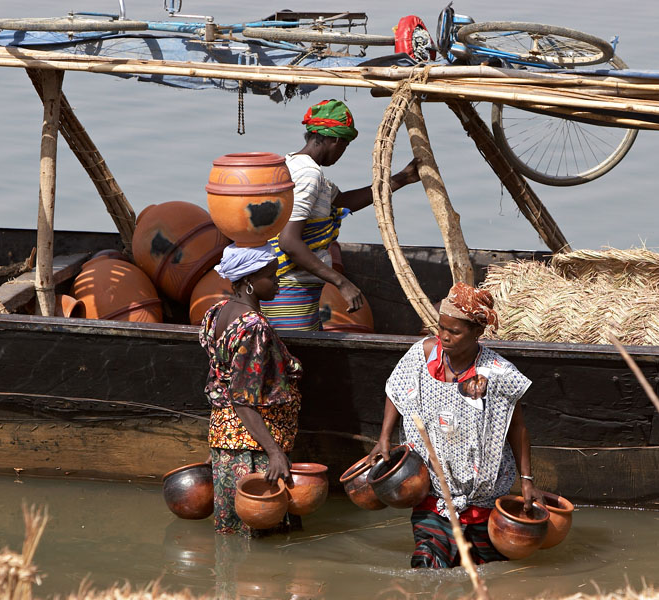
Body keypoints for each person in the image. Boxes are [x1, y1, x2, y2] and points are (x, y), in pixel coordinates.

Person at [369, 282, 543, 568]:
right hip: (432, 489)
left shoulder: (498, 373)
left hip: (482, 495)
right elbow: (396, 389)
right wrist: (384, 437)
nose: (445, 337)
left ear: (477, 332)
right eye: (441, 328)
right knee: (427, 562)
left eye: (454, 331)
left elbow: (517, 427)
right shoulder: (423, 354)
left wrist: (526, 480)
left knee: (481, 567)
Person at [261, 98, 420, 331]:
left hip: (291, 290)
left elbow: (343, 201)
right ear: (335, 140)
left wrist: (402, 178)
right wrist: (341, 282)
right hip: (291, 292)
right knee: (293, 350)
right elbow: (289, 241)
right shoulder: (308, 175)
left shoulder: (290, 164)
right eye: (345, 145)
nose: (342, 152)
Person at [198, 242, 303, 536]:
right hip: (254, 445)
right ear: (249, 281)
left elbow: (224, 380)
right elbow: (242, 398)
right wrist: (274, 453)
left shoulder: (217, 312)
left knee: (234, 530)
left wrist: (217, 444)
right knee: (263, 529)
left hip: (227, 438)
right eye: (271, 276)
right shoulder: (254, 327)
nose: (277, 282)